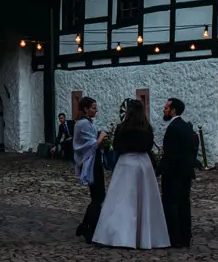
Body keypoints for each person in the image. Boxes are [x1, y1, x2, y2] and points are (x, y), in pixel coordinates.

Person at [91, 100, 170, 249]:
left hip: (126, 163)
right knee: (144, 199)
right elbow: (149, 145)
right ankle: (144, 235)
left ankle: (122, 235)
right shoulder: (147, 128)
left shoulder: (123, 128)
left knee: (122, 200)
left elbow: (117, 146)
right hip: (143, 163)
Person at [158, 97, 197, 248]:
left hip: (173, 172)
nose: (164, 109)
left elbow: (170, 153)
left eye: (166, 107)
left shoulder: (173, 127)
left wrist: (159, 170)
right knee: (183, 203)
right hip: (185, 171)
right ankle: (185, 235)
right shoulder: (186, 126)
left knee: (171, 204)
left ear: (173, 110)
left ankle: (175, 237)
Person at [73, 97, 106, 243]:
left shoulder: (87, 123)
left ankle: (85, 225)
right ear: (86, 109)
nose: (96, 110)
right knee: (98, 197)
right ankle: (89, 229)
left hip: (95, 162)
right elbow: (92, 144)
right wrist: (102, 137)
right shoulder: (83, 124)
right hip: (91, 163)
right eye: (93, 108)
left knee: (97, 196)